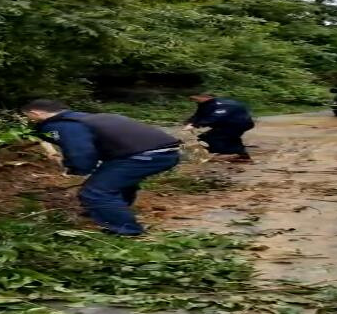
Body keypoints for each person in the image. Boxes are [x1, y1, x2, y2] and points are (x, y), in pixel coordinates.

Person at [22, 99, 181, 236]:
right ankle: (108, 211)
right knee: (116, 183)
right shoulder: (85, 118)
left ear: (35, 113)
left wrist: (75, 168)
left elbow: (81, 152)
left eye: (28, 116)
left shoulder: (64, 126)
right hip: (162, 152)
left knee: (96, 192)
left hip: (145, 156)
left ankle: (125, 230)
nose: (29, 120)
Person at [184, 93, 254, 162]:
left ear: (205, 97)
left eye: (195, 98)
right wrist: (190, 122)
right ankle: (239, 154)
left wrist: (195, 125)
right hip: (226, 125)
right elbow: (199, 115)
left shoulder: (224, 104)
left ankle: (237, 155)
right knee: (211, 138)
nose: (194, 100)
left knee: (215, 138)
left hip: (239, 123)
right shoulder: (205, 104)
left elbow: (215, 117)